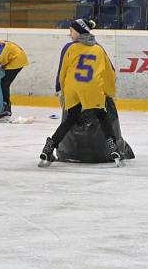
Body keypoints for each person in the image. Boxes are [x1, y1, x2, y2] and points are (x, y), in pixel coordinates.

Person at [39, 19, 123, 167]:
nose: (69, 34)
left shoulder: (70, 48)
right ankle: (113, 148)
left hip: (73, 88)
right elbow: (110, 74)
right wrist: (110, 92)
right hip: (92, 88)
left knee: (70, 119)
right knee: (102, 116)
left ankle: (49, 147)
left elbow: (63, 72)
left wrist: (61, 91)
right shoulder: (98, 49)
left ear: (79, 32)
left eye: (71, 31)